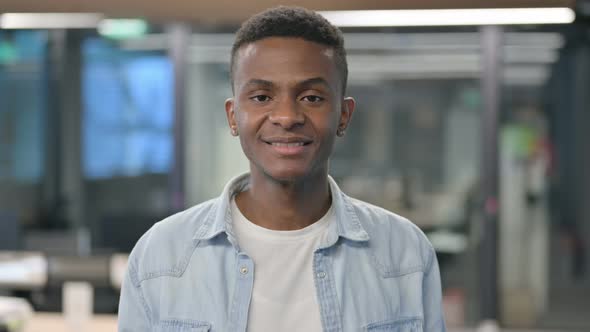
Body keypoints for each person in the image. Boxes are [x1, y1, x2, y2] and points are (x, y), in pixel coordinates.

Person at [118, 6, 446, 332]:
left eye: (312, 98)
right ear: (233, 116)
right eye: (262, 97)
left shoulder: (405, 254)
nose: (287, 117)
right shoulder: (160, 256)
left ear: (343, 115)